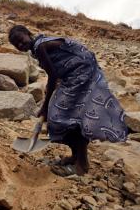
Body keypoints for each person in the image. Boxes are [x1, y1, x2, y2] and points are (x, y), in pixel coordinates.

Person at [8, 25, 128, 176]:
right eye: (16, 44)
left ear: (27, 33)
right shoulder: (40, 43)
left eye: (20, 39)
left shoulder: (39, 46)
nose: (20, 44)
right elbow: (58, 70)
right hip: (80, 72)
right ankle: (75, 157)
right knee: (67, 116)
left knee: (61, 118)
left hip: (82, 74)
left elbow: (52, 77)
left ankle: (82, 165)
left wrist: (45, 106)